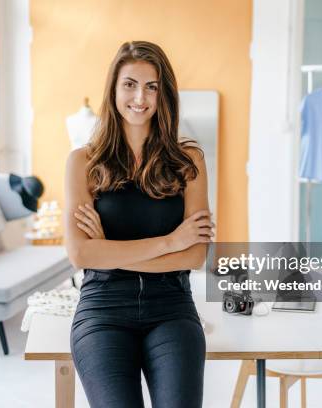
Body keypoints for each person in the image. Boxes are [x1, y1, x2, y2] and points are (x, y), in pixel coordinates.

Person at [64, 40, 214, 408]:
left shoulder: (188, 160)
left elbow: (194, 256)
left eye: (151, 86)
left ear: (164, 94)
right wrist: (169, 241)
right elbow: (81, 254)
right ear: (113, 89)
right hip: (102, 309)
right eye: (129, 84)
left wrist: (108, 251)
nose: (140, 97)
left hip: (171, 307)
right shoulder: (82, 162)